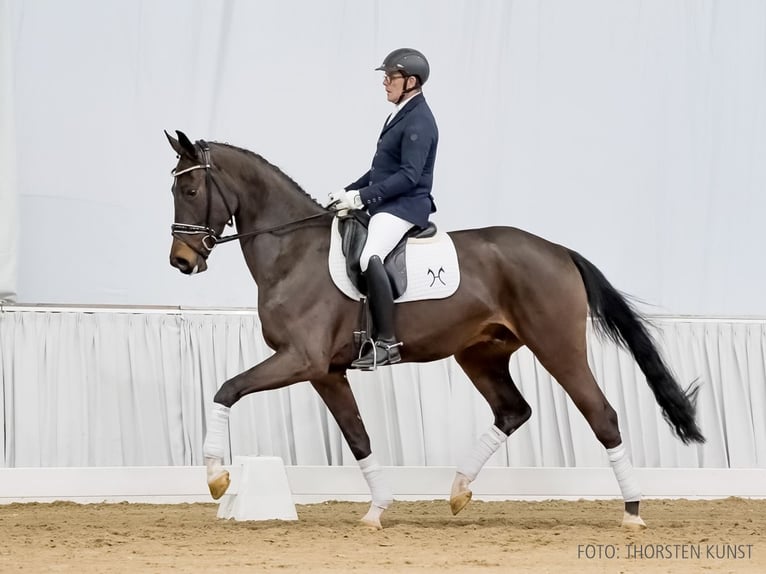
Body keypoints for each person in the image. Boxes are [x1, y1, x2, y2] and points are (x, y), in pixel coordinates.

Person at [329, 48, 439, 370]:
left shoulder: (420, 120)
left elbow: (408, 176)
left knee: (368, 256)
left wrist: (362, 198)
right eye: (386, 77)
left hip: (406, 205)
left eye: (390, 77)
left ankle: (386, 343)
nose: (385, 83)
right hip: (388, 202)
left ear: (411, 81)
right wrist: (348, 192)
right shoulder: (399, 113)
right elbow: (380, 172)